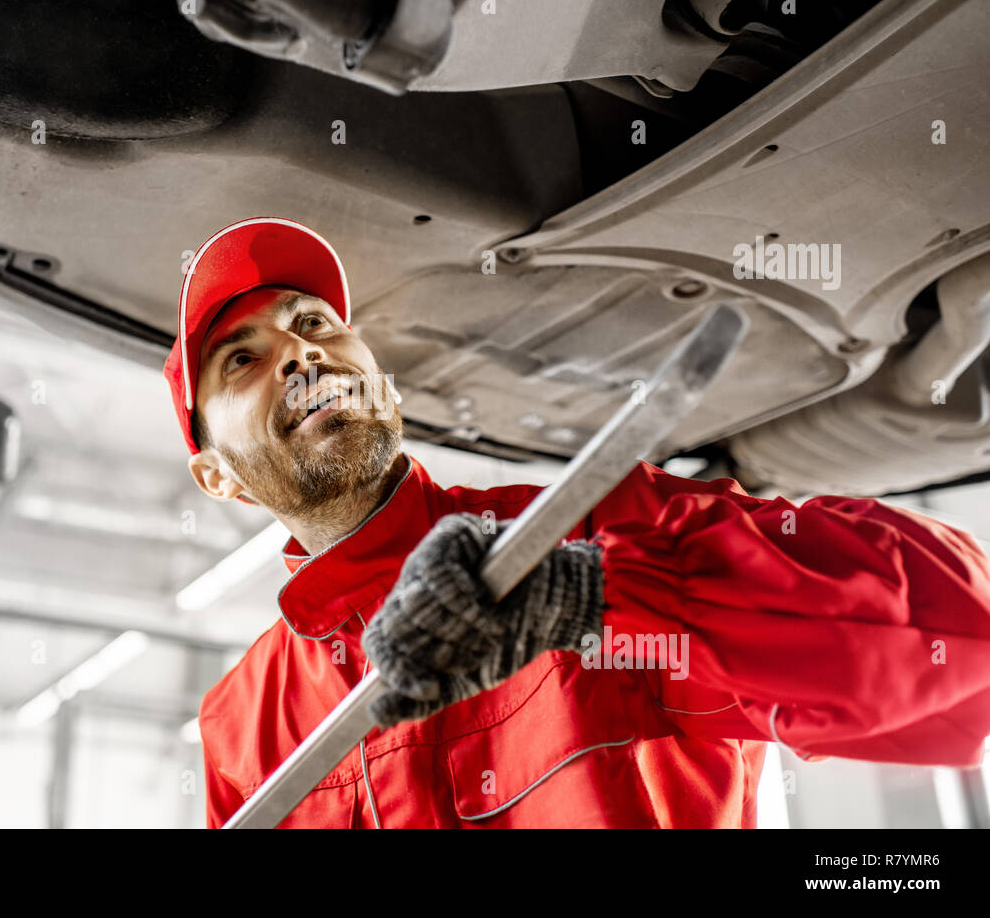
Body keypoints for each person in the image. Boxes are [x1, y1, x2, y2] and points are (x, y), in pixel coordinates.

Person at [163, 216, 990, 828]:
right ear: (216, 475)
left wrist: (594, 597)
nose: (302, 354)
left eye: (315, 325)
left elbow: (960, 627)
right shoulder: (239, 725)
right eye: (244, 358)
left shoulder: (600, 530)